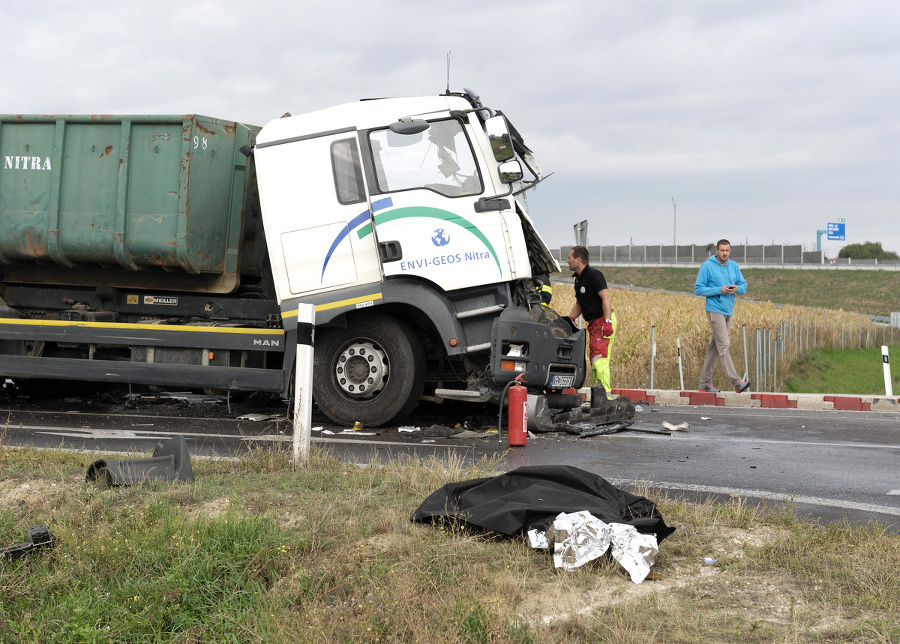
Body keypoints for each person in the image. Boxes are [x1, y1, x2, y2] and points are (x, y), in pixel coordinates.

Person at [694, 239, 751, 393]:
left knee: (715, 347)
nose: (725, 253)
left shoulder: (733, 266)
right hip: (714, 310)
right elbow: (698, 289)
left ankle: (704, 384)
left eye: (727, 250)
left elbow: (744, 286)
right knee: (724, 344)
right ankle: (736, 382)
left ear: (729, 250)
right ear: (717, 251)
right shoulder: (707, 266)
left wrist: (736, 288)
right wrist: (720, 290)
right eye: (722, 250)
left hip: (728, 310)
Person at [566, 246, 616, 394]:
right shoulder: (578, 279)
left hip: (603, 321)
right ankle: (598, 395)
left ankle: (605, 396)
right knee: (595, 359)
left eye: (570, 257)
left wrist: (607, 322)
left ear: (578, 260)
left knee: (599, 360)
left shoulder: (594, 275)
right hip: (594, 324)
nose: (567, 261)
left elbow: (605, 298)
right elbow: (580, 303)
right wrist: (570, 319)